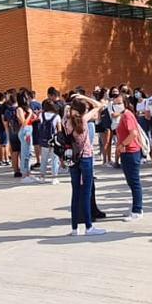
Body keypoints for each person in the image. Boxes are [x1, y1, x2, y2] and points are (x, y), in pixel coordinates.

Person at [62, 95, 106, 237]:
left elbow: (67, 112)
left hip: (73, 159)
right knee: (86, 192)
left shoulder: (67, 122)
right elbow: (99, 105)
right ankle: (88, 226)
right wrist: (83, 97)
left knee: (75, 193)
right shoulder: (83, 120)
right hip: (86, 157)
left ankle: (74, 228)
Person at [116, 96, 148, 221]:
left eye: (119, 103)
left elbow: (133, 133)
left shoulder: (127, 116)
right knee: (131, 181)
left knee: (134, 182)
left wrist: (123, 144)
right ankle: (135, 206)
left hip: (131, 151)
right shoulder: (124, 115)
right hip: (127, 152)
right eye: (115, 103)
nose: (117, 105)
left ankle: (137, 209)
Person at [15, 92, 39, 184]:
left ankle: (28, 172)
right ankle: (24, 174)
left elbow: (30, 121)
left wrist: (34, 116)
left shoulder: (27, 108)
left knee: (29, 153)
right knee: (25, 153)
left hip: (29, 129)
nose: (28, 99)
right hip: (25, 131)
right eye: (26, 98)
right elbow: (23, 122)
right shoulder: (19, 109)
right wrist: (29, 114)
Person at [38, 100, 63, 184]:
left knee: (44, 158)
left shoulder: (41, 115)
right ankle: (54, 178)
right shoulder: (57, 116)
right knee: (54, 158)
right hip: (53, 140)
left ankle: (42, 177)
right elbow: (59, 129)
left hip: (44, 140)